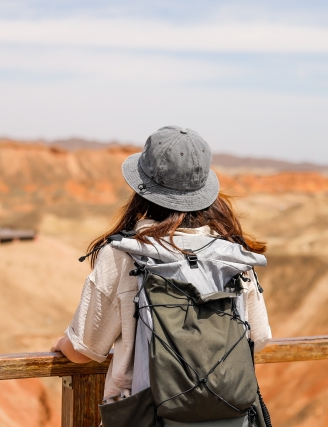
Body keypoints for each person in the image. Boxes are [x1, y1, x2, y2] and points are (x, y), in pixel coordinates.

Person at [52, 125, 272, 426]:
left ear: (142, 189)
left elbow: (83, 349)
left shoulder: (124, 253)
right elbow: (258, 338)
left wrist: (62, 345)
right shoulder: (232, 255)